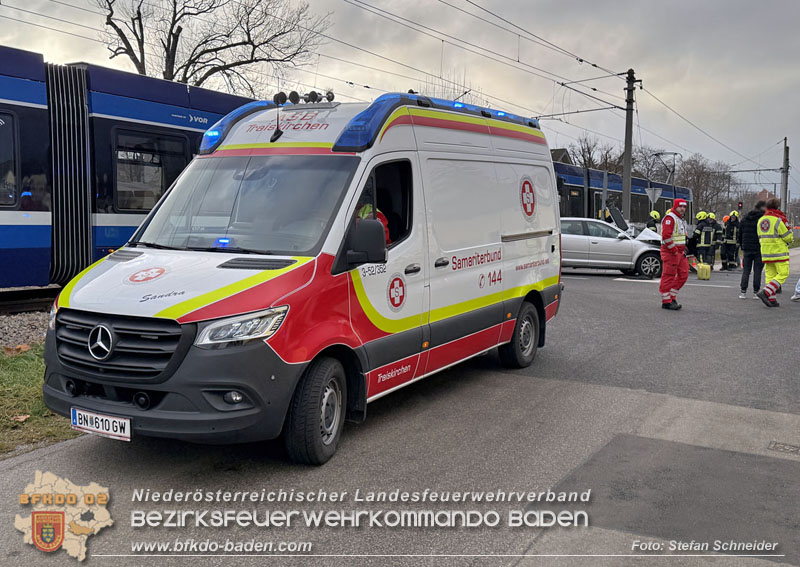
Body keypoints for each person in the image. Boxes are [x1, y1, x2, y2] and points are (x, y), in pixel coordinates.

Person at [756, 197, 794, 307]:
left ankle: (772, 300)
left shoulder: (761, 220)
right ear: (777, 206)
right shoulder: (778, 219)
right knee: (783, 273)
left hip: (766, 252)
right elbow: (787, 237)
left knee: (770, 275)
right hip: (779, 252)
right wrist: (790, 236)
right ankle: (766, 293)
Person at [659, 198, 690, 310]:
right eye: (680, 206)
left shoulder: (680, 219)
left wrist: (683, 249)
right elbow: (666, 237)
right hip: (671, 252)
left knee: (684, 274)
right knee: (668, 276)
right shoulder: (670, 218)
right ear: (675, 206)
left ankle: (671, 297)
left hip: (679, 252)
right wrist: (674, 250)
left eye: (684, 207)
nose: (682, 209)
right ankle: (666, 301)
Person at [738, 201, 765, 299]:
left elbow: (739, 234)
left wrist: (742, 245)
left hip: (747, 248)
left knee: (746, 270)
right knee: (757, 271)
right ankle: (756, 292)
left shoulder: (745, 218)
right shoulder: (762, 219)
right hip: (759, 248)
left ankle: (743, 291)